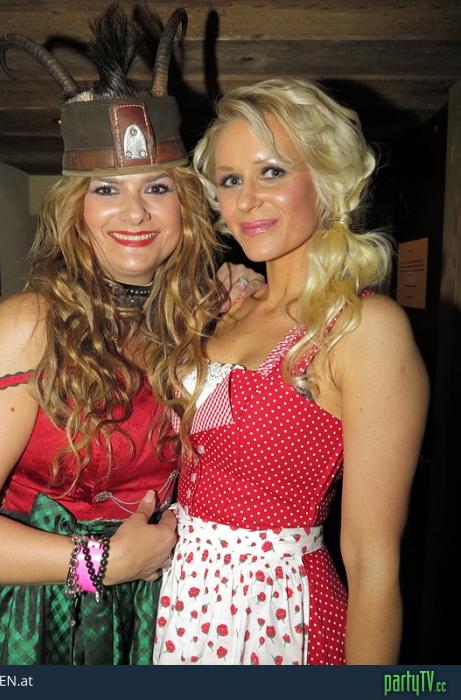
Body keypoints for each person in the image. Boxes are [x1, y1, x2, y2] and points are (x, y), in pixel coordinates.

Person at [0, 7, 262, 665]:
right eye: (106, 188)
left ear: (186, 207)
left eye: (157, 187)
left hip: (151, 612)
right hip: (27, 625)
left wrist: (248, 303)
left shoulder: (195, 321)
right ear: (74, 210)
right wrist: (98, 564)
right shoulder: (28, 325)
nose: (134, 212)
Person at [153, 78, 429, 665]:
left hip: (274, 618)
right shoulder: (224, 308)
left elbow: (373, 563)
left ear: (327, 179)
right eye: (231, 180)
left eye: (271, 172)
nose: (246, 200)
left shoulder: (362, 329)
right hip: (180, 604)